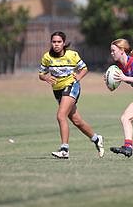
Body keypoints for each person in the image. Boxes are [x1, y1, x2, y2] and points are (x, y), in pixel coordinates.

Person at [38, 31, 104, 159]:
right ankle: (96, 139)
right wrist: (45, 78)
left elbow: (84, 68)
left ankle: (64, 149)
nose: (56, 44)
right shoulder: (47, 57)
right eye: (54, 42)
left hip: (72, 86)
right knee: (76, 121)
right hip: (57, 90)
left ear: (63, 43)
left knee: (61, 115)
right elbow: (41, 74)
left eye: (59, 42)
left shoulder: (72, 55)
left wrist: (78, 77)